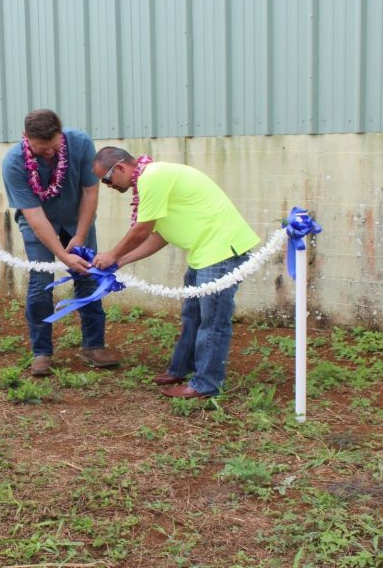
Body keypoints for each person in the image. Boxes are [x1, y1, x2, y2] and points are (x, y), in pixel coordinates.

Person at [91, 147, 259, 398]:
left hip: (221, 251)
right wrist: (121, 261)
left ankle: (206, 384)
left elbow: (142, 229)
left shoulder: (152, 177)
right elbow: (160, 235)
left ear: (122, 168)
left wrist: (112, 255)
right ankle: (182, 368)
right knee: (192, 314)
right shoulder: (150, 181)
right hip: (206, 252)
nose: (107, 186)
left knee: (212, 321)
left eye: (106, 179)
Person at [1, 109, 121, 376]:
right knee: (41, 281)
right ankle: (41, 352)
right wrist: (62, 255)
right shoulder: (13, 163)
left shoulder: (80, 143)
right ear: (26, 138)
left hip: (77, 217)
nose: (49, 153)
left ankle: (94, 345)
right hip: (39, 224)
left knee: (89, 277)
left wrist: (79, 237)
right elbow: (34, 216)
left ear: (61, 134)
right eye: (41, 149)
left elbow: (90, 191)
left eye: (54, 147)